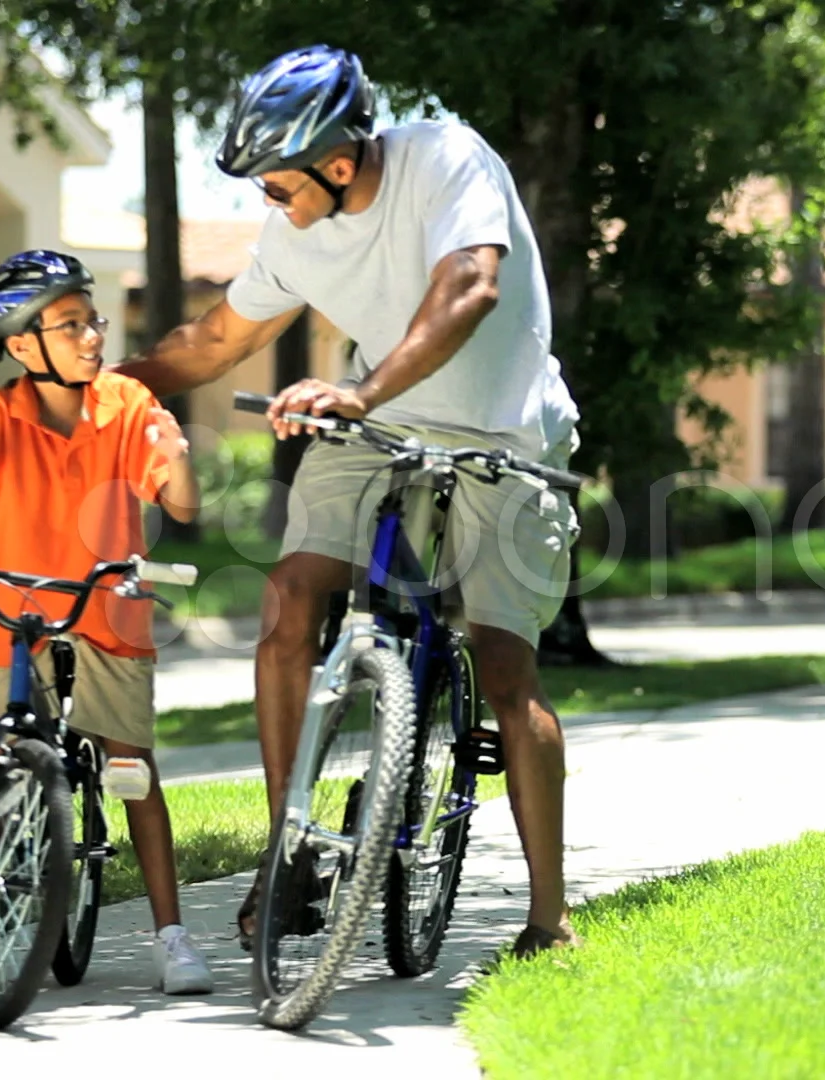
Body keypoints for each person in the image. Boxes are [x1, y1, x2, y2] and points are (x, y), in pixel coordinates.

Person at [117, 44, 583, 959]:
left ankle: (548, 918)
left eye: (278, 182)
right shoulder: (295, 234)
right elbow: (212, 343)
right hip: (370, 424)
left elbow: (472, 285)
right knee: (290, 596)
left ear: (337, 162)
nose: (267, 202)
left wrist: (361, 392)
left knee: (503, 668)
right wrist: (96, 393)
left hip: (507, 434)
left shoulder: (445, 160)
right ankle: (287, 850)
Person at [0, 250, 215, 1000]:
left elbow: (185, 504)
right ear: (24, 344)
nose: (94, 335)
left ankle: (171, 935)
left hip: (110, 615)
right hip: (19, 619)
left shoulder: (128, 404)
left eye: (92, 319)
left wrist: (177, 454)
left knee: (133, 772)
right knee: (1, 772)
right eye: (72, 325)